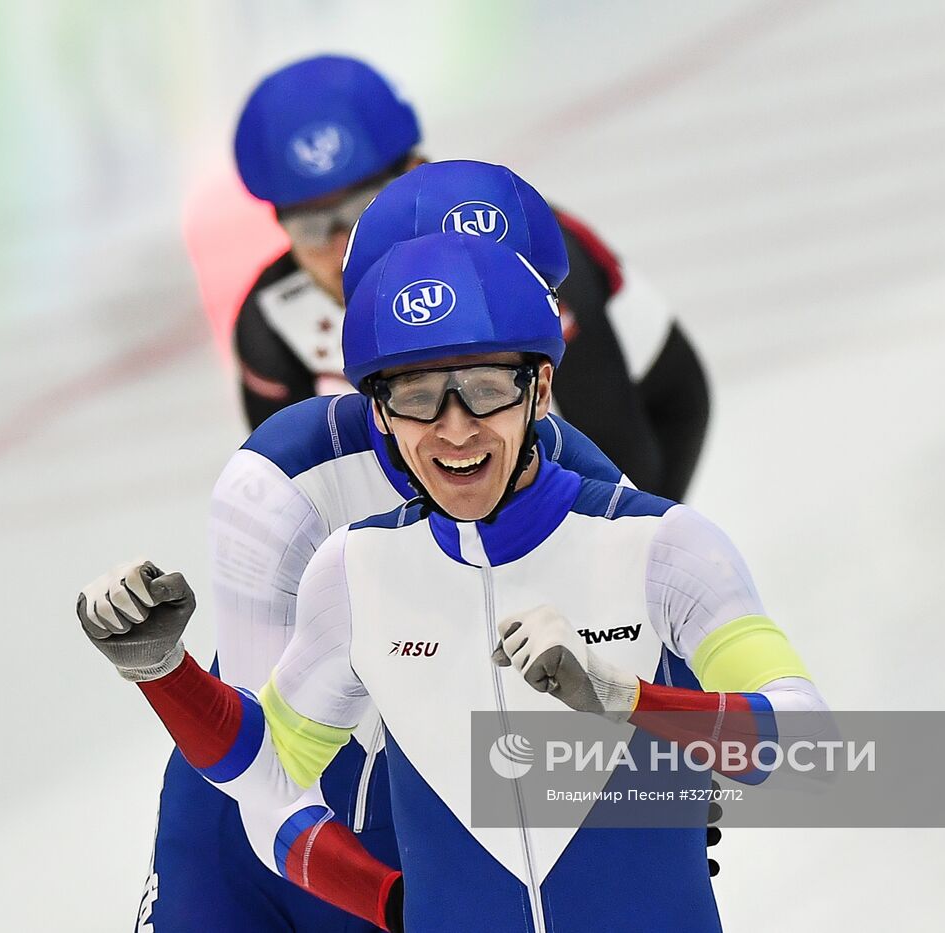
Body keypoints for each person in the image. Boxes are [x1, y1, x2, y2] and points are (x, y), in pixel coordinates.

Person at [80, 233, 830, 931]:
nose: (455, 427)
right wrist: (162, 670)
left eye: (483, 389)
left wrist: (627, 701)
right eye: (416, 397)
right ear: (378, 411)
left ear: (539, 388)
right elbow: (268, 778)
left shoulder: (662, 544)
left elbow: (807, 750)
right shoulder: (353, 570)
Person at [231, 54, 709, 501]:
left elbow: (625, 467)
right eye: (309, 226)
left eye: (363, 210)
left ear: (415, 172)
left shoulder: (521, 246)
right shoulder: (270, 322)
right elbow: (297, 501)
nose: (341, 246)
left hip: (651, 413)